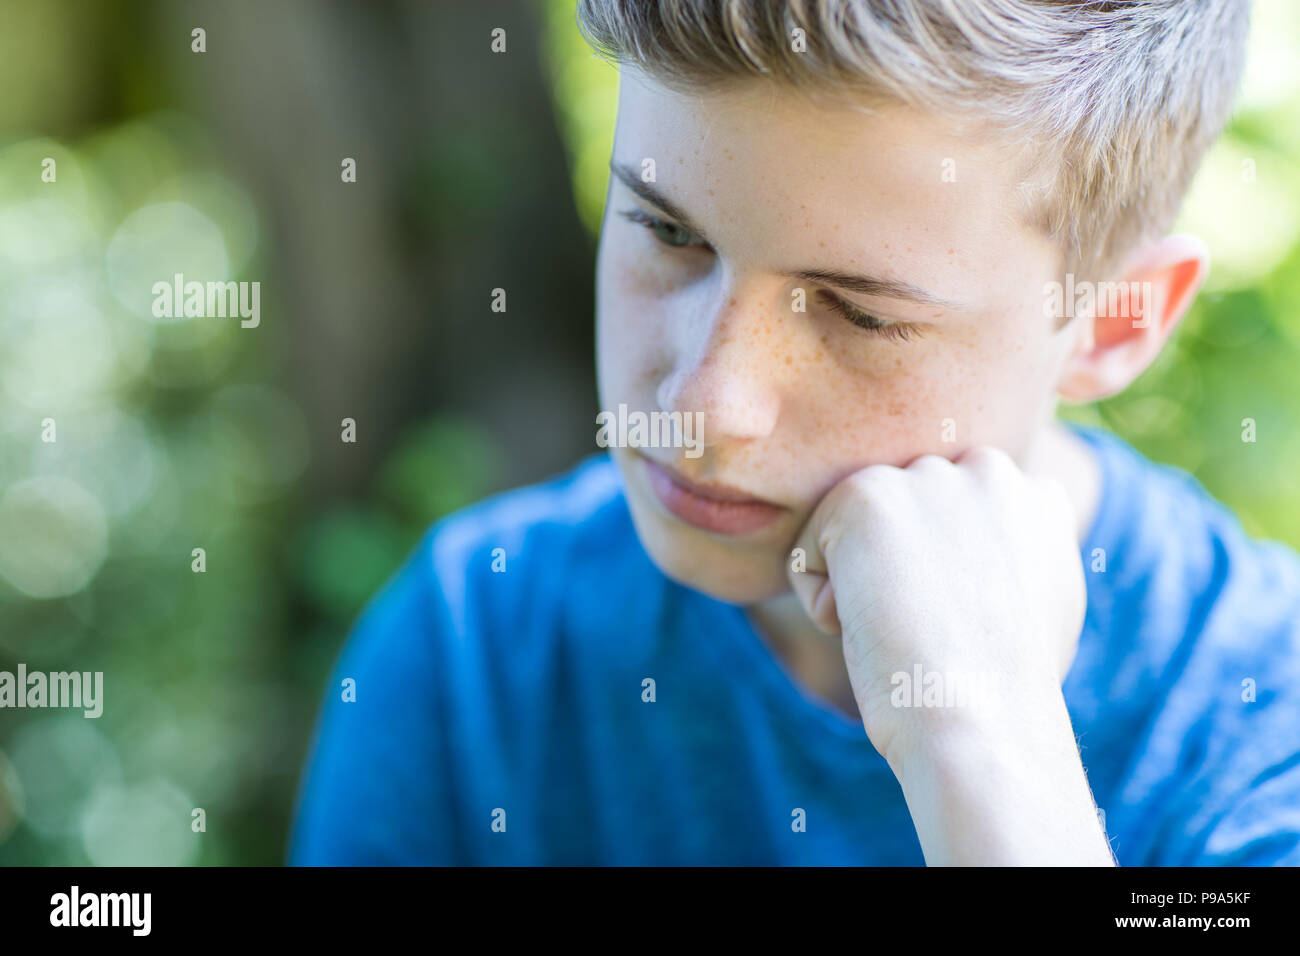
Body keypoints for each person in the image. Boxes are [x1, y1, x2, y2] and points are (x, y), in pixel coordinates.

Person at [289, 0, 1300, 865]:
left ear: (1114, 317)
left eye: (858, 313)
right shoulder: (477, 653)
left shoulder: (1257, 730)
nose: (702, 404)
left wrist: (982, 747)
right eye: (666, 231)